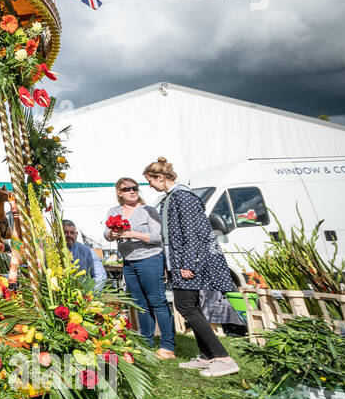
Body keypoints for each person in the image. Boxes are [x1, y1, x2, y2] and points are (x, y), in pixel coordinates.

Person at [144, 157, 240, 377]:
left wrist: (187, 264)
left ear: (160, 178)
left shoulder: (183, 197)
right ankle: (206, 357)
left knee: (185, 307)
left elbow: (191, 234)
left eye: (151, 181)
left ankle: (223, 358)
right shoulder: (174, 197)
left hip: (188, 262)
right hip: (179, 261)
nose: (150, 185)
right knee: (192, 307)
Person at [105, 177, 174, 358]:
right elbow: (106, 234)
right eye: (126, 189)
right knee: (140, 305)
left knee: (157, 302)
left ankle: (168, 345)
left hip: (149, 259)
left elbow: (159, 236)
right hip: (129, 261)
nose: (132, 191)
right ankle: (146, 343)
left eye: (134, 188)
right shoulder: (114, 211)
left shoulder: (147, 210)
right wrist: (111, 234)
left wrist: (133, 234)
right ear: (119, 192)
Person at [61, 220, 106, 287]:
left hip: (84, 292)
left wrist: (91, 294)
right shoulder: (51, 251)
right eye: (65, 232)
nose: (69, 235)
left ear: (76, 234)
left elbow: (100, 275)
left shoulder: (88, 252)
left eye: (72, 233)